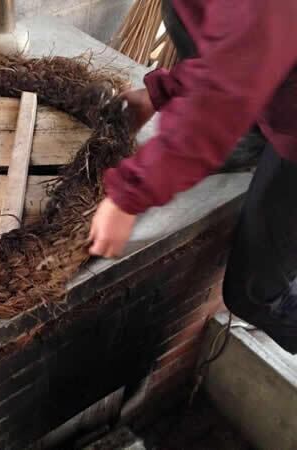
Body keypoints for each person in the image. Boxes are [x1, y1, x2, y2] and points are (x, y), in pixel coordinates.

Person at [87, 0, 297, 354]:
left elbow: (222, 98)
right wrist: (160, 92)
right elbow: (233, 51)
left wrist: (129, 196)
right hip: (278, 94)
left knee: (255, 295)